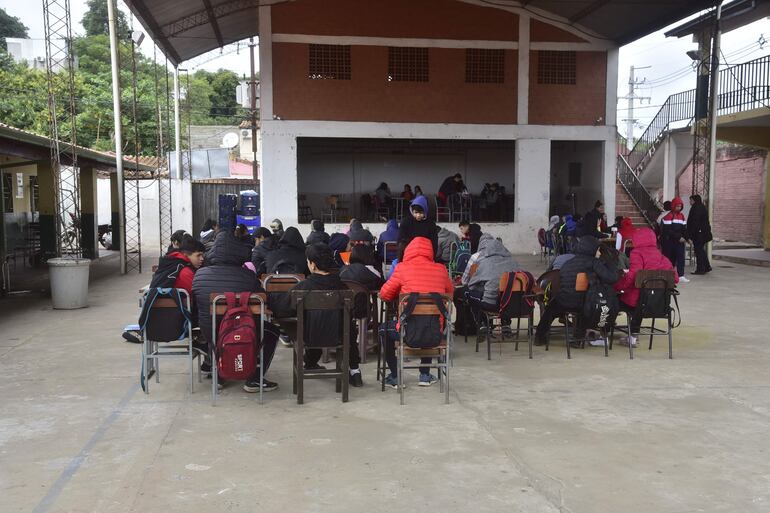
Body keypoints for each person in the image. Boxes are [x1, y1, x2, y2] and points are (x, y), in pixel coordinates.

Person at [191, 230, 279, 392]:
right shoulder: (247, 276)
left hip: (210, 332)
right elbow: (264, 299)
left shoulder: (199, 275)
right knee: (271, 331)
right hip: (243, 332)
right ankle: (254, 379)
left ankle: (219, 376)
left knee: (213, 328)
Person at [269, 243, 364, 387]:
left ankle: (311, 361)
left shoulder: (303, 288)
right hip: (338, 337)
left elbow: (281, 310)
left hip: (308, 337)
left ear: (312, 265)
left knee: (304, 322)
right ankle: (355, 370)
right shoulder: (343, 287)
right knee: (346, 323)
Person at [379, 237, 454, 388]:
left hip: (407, 333)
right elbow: (450, 293)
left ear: (409, 251)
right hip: (435, 333)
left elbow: (384, 294)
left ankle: (395, 376)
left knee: (383, 329)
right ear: (430, 252)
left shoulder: (401, 268)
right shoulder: (441, 269)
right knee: (430, 321)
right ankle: (425, 375)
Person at [535, 236, 619, 346]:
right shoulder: (594, 263)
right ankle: (577, 338)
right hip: (583, 303)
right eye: (598, 250)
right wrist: (611, 263)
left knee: (549, 311)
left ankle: (539, 337)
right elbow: (611, 278)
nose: (599, 253)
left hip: (563, 300)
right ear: (592, 249)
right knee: (588, 306)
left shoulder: (568, 263)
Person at [613, 227, 678, 347]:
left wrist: (618, 286)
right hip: (658, 303)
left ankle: (606, 332)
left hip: (637, 303)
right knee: (641, 300)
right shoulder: (660, 255)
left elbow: (632, 276)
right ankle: (633, 336)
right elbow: (675, 278)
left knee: (614, 300)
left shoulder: (636, 253)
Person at [465, 236, 519, 325]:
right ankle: (506, 324)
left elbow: (471, 285)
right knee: (506, 292)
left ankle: (483, 324)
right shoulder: (514, 262)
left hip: (491, 304)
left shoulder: (484, 262)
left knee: (467, 294)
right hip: (512, 304)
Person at [397, 195, 438, 259]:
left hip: (425, 254)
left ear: (425, 211)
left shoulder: (431, 224)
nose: (418, 215)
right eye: (415, 212)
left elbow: (434, 243)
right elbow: (400, 240)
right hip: (408, 253)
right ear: (411, 211)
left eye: (421, 213)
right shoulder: (406, 222)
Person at [660, 197, 689, 283]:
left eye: (680, 206)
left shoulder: (682, 216)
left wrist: (687, 238)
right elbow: (667, 230)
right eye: (677, 206)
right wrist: (679, 237)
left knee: (680, 258)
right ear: (673, 206)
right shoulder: (668, 216)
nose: (679, 208)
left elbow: (684, 229)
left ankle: (681, 275)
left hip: (679, 242)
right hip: (669, 242)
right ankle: (668, 274)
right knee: (669, 259)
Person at [687, 194, 712, 275]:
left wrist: (690, 235)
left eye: (690, 200)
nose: (689, 202)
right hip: (703, 233)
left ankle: (700, 269)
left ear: (694, 200)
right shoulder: (701, 206)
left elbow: (695, 222)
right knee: (701, 250)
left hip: (699, 234)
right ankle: (707, 267)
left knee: (699, 251)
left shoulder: (696, 208)